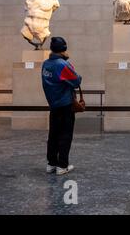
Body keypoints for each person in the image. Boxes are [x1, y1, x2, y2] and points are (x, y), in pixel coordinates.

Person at [42, 37, 82, 175]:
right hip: (65, 105)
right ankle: (62, 165)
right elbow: (76, 81)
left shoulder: (46, 64)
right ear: (64, 49)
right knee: (65, 135)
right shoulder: (62, 64)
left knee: (53, 134)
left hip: (53, 104)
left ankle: (51, 163)